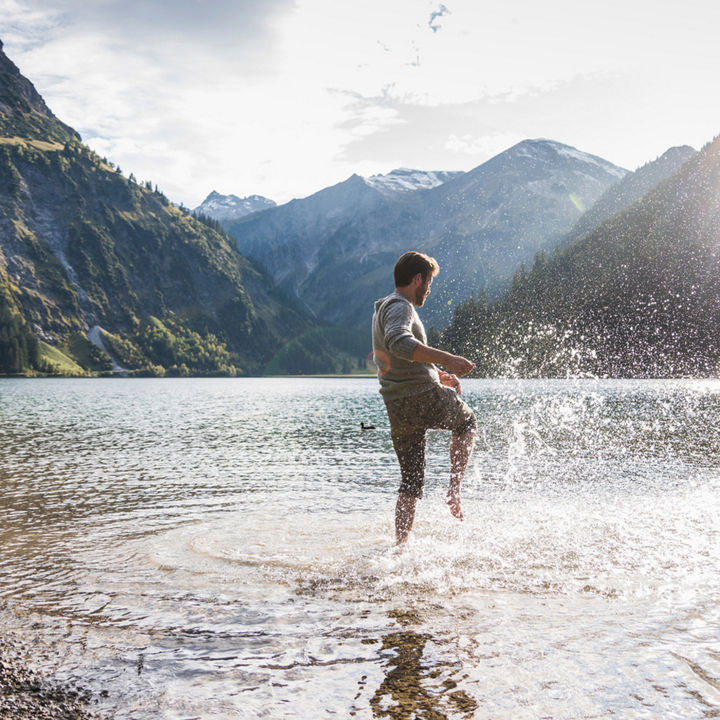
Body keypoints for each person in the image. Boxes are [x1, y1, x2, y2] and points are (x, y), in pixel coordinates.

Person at [372, 251, 477, 544]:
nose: (429, 289)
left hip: (397, 405)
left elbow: (396, 359)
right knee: (467, 422)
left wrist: (436, 373)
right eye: (428, 282)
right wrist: (449, 360)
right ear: (417, 279)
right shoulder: (400, 306)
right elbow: (400, 343)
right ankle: (455, 490)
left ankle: (400, 547)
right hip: (420, 397)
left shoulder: (382, 309)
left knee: (411, 482)